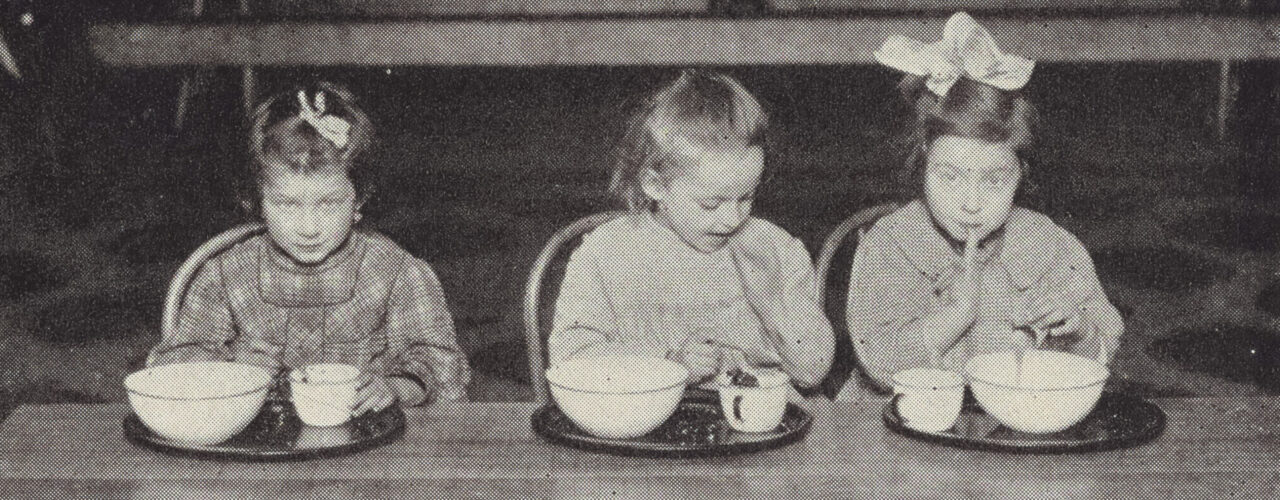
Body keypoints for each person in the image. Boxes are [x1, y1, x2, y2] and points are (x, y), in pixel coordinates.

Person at [842, 13, 1123, 395]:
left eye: (994, 180)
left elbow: (1100, 353)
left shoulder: (1047, 244)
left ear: (1021, 173)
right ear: (923, 159)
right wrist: (956, 315)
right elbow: (878, 362)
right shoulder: (891, 244)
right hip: (901, 427)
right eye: (950, 176)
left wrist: (1079, 331)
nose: (971, 203)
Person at [149, 82, 469, 412]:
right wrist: (226, 366)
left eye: (329, 204)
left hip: (368, 449)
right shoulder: (223, 275)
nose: (309, 228)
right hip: (260, 450)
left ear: (359, 198)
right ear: (257, 201)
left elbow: (441, 367)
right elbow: (169, 368)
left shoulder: (398, 273)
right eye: (287, 205)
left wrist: (396, 388)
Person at [548, 70, 835, 392]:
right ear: (655, 184)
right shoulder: (606, 253)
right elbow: (570, 360)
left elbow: (813, 371)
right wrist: (668, 363)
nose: (732, 219)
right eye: (710, 204)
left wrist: (769, 301)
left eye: (746, 197)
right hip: (653, 429)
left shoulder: (775, 248)